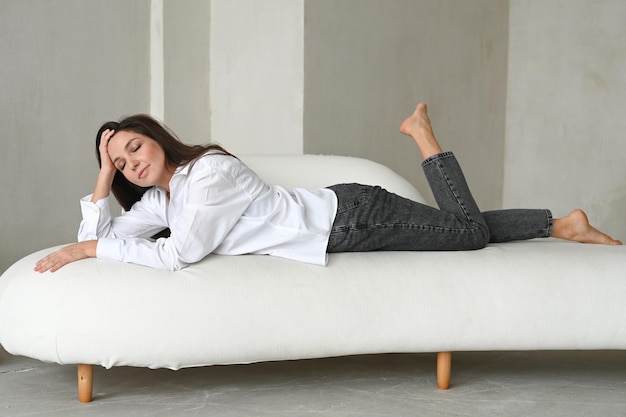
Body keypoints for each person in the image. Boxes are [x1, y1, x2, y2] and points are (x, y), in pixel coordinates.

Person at [35, 103, 621, 273]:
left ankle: (422, 134)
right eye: (118, 163)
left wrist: (90, 250)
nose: (129, 163)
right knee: (450, 231)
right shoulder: (165, 196)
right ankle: (563, 224)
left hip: (350, 217)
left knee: (465, 235)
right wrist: (102, 180)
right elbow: (108, 229)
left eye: (132, 147)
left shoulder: (206, 176)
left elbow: (177, 254)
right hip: (343, 223)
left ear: (156, 137)